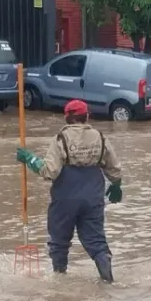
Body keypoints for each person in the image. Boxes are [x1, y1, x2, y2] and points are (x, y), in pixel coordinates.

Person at [16, 99, 123, 283]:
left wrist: (30, 159)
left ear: (67, 118)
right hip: (93, 194)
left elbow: (50, 171)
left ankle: (60, 282)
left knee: (59, 241)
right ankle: (108, 281)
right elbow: (113, 166)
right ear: (87, 116)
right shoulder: (100, 137)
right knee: (96, 241)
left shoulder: (61, 139)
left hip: (66, 195)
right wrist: (116, 184)